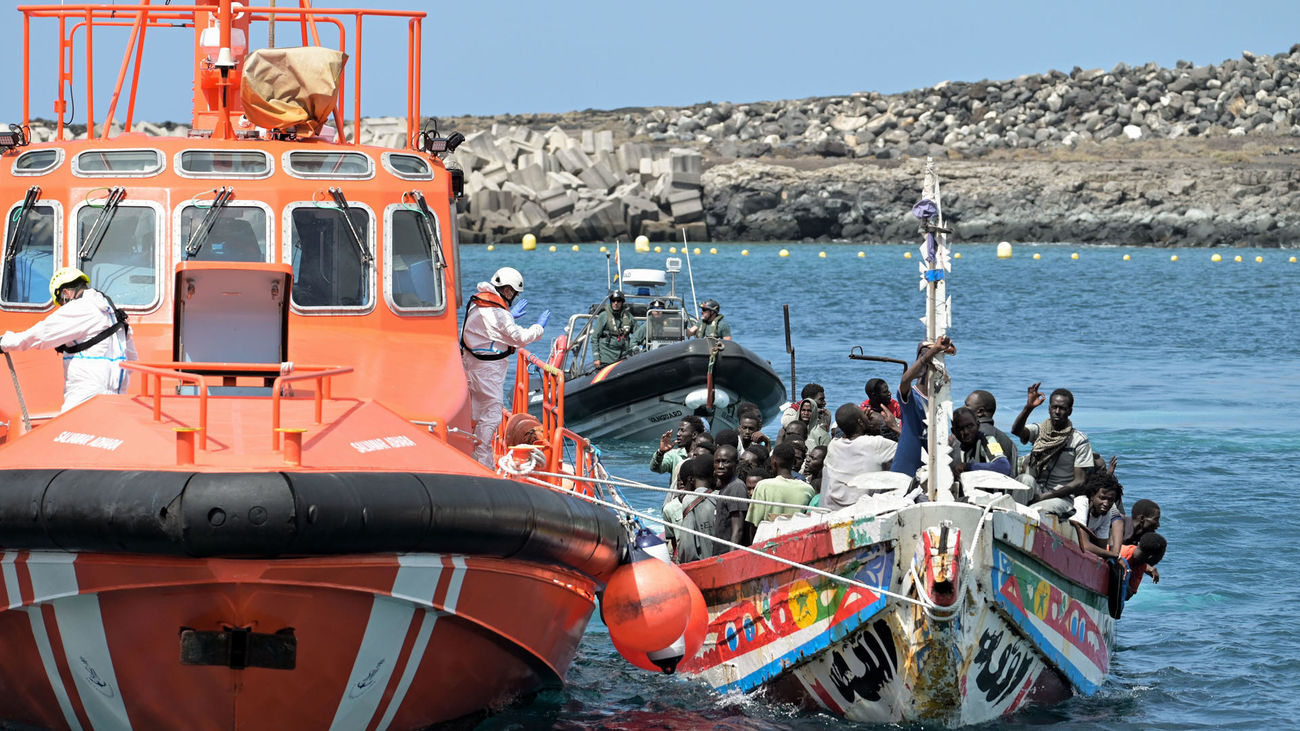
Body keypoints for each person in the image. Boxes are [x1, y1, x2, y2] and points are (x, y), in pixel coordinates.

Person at [0, 268, 138, 412]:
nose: (63, 305)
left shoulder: (79, 307)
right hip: (117, 395)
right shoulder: (113, 314)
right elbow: (132, 358)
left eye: (61, 301)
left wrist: (5, 342)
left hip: (86, 393)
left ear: (66, 292)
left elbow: (40, 335)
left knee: (69, 431)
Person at [459, 266, 550, 466]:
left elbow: (490, 330)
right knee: (491, 415)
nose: (514, 298)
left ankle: (469, 452)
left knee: (474, 413)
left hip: (471, 366)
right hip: (487, 372)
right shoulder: (499, 314)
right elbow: (519, 338)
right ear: (508, 291)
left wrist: (509, 315)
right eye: (514, 294)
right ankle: (483, 463)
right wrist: (538, 327)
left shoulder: (478, 304)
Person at [1011, 383, 1093, 517]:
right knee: (1024, 479)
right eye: (1054, 407)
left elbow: (1079, 481)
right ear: (1049, 408)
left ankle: (1019, 516)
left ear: (1070, 411)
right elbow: (1017, 431)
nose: (1057, 411)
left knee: (1034, 510)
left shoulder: (1079, 440)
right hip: (1036, 490)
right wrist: (1028, 408)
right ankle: (1012, 518)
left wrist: (1045, 496)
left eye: (1062, 408)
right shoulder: (1040, 430)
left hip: (1059, 498)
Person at [890, 337, 954, 479]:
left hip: (930, 472)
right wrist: (930, 354)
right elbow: (905, 380)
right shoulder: (912, 397)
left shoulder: (939, 401)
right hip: (905, 470)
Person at [822, 403, 898, 510]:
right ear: (860, 422)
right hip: (861, 512)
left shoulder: (833, 445)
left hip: (832, 510)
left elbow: (848, 433)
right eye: (863, 413)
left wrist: (861, 423)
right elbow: (910, 450)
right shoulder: (876, 444)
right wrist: (894, 425)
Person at [662, 456, 718, 563]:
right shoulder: (719, 495)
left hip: (699, 562)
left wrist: (682, 561)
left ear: (690, 480)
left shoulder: (689, 500)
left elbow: (687, 545)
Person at [745, 443, 815, 527]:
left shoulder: (763, 486)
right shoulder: (808, 490)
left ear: (773, 462)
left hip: (768, 538)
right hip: (795, 539)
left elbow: (754, 524)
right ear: (794, 462)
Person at [1070, 471, 1125, 557]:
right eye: (1102, 498)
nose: (1106, 503)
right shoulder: (1081, 503)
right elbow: (1085, 545)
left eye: (1110, 500)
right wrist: (1115, 555)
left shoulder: (1106, 513)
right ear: (1092, 495)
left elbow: (1101, 546)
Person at [964, 389, 1018, 475]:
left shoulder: (982, 435)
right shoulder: (1008, 440)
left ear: (980, 412)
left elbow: (1002, 467)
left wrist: (967, 466)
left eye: (966, 406)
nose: (963, 408)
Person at [951, 406, 1011, 477]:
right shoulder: (954, 449)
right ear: (953, 431)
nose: (966, 432)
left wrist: (967, 466)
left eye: (970, 426)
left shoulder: (988, 441)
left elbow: (1004, 467)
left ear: (978, 425)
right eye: (960, 429)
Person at [712, 444, 749, 549]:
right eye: (717, 461)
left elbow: (738, 530)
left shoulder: (736, 487)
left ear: (736, 464)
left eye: (725, 461)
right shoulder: (725, 487)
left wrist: (731, 560)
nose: (720, 466)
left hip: (727, 556)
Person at [591, 290, 635, 368]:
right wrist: (596, 358)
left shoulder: (628, 317)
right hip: (607, 357)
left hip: (624, 356)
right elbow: (595, 338)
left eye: (618, 301)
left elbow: (638, 333)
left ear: (622, 302)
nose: (616, 303)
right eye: (613, 301)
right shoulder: (603, 316)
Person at [1120, 533, 1167, 599]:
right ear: (1151, 557)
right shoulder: (1119, 554)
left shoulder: (1140, 564)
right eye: (1161, 556)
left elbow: (1129, 594)